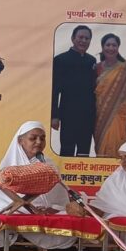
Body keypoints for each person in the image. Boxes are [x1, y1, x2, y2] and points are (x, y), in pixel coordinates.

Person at [0, 121, 76, 250]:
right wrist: (29, 208)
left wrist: (52, 208)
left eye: (42, 138)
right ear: (20, 141)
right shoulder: (8, 166)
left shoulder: (49, 164)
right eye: (33, 138)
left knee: (69, 218)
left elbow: (59, 200)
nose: (38, 142)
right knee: (10, 221)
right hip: (16, 212)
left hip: (44, 215)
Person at [51, 26, 97, 157]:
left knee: (84, 151)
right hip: (68, 114)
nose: (84, 41)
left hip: (88, 115)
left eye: (87, 38)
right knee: (67, 150)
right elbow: (54, 91)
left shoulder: (91, 61)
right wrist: (54, 116)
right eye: (80, 37)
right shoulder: (60, 60)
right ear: (73, 38)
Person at [93, 33, 126, 158]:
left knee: (119, 144)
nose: (111, 48)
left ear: (118, 47)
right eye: (108, 45)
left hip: (120, 113)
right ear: (103, 47)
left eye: (114, 45)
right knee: (101, 145)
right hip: (100, 115)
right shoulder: (96, 68)